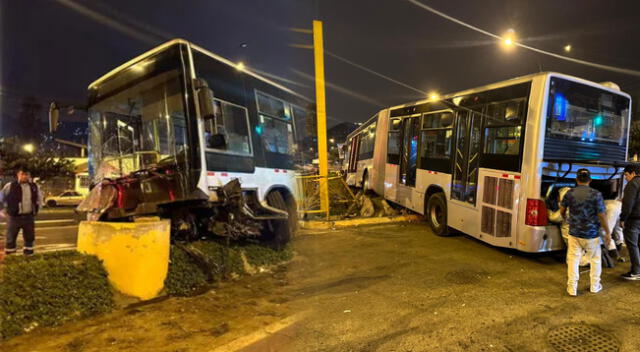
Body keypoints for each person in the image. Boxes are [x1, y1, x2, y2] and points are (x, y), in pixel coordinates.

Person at [559, 168, 612, 296]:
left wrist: (564, 217)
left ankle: (572, 288)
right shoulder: (596, 194)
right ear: (590, 180)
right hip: (591, 234)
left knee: (573, 259)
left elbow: (562, 209)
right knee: (595, 260)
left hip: (574, 233)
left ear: (576, 179)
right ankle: (594, 286)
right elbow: (602, 215)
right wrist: (607, 232)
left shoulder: (570, 193)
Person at [0, 168, 42, 255]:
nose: (24, 176)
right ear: (18, 175)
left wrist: (37, 210)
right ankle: (11, 257)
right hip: (13, 217)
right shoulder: (10, 186)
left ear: (29, 176)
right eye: (22, 174)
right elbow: (1, 198)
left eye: (26, 174)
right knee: (10, 238)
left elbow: (39, 199)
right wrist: (2, 210)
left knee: (29, 237)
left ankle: (28, 256)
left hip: (29, 217)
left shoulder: (34, 186)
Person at [619, 163, 640, 280]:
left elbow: (627, 204)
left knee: (632, 245)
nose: (626, 178)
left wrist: (622, 219)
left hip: (634, 220)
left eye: (626, 175)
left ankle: (636, 271)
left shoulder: (633, 184)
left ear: (633, 173)